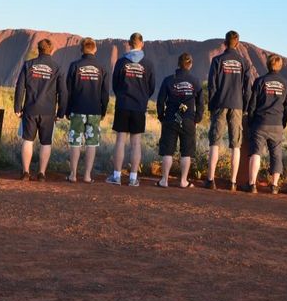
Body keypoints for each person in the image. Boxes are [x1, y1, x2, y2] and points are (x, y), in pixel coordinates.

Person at [105, 32, 155, 187]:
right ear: (142, 44)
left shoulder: (121, 63)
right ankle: (133, 178)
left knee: (120, 140)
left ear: (129, 43)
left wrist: (121, 95)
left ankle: (117, 176)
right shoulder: (148, 64)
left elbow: (115, 84)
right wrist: (143, 97)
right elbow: (151, 87)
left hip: (123, 104)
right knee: (136, 143)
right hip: (139, 107)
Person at [13, 38, 67, 181]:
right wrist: (61, 113)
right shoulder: (57, 68)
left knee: (28, 140)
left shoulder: (28, 64)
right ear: (52, 50)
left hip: (30, 109)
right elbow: (63, 92)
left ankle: (25, 172)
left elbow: (19, 87)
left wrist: (17, 108)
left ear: (38, 49)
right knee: (46, 142)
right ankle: (42, 174)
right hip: (48, 112)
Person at [205, 30, 253, 191]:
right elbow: (248, 88)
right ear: (237, 43)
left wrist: (211, 105)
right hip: (237, 105)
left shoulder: (218, 60)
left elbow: (212, 85)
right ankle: (232, 182)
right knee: (236, 144)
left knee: (215, 141)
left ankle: (210, 180)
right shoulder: (243, 62)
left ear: (225, 43)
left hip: (220, 103)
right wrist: (245, 105)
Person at [246, 54, 287, 194]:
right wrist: (283, 122)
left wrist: (251, 120)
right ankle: (274, 186)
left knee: (256, 153)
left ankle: (252, 185)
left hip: (260, 123)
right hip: (277, 124)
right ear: (280, 66)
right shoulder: (286, 84)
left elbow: (252, 104)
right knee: (276, 154)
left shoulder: (260, 81)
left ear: (267, 65)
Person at [155, 53, 204, 188]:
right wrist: (197, 118)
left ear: (178, 64)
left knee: (167, 151)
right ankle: (183, 181)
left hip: (170, 119)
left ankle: (164, 180)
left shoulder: (168, 80)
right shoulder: (195, 81)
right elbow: (201, 102)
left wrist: (161, 117)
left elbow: (160, 101)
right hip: (189, 120)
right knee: (186, 151)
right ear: (190, 64)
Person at [65, 37, 109, 183]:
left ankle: (73, 175)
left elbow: (68, 90)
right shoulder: (102, 68)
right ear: (94, 49)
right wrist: (103, 111)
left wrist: (66, 109)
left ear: (81, 49)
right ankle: (87, 176)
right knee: (91, 142)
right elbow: (105, 93)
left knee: (75, 142)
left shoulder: (74, 66)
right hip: (95, 111)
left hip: (77, 109)